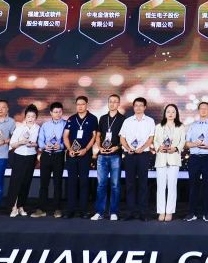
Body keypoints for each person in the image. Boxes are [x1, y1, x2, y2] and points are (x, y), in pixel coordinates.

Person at [120, 97, 156, 221]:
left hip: (143, 155)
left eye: (141, 105)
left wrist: (142, 148)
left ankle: (143, 213)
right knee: (129, 184)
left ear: (145, 107)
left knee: (143, 184)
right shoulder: (127, 121)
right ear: (133, 107)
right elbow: (122, 138)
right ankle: (130, 212)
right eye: (136, 105)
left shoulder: (150, 121)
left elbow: (151, 138)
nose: (138, 107)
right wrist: (127, 148)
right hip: (129, 155)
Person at [184, 101, 208, 222]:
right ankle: (191, 213)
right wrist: (196, 144)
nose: (203, 110)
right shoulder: (192, 125)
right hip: (194, 158)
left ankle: (207, 213)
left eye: (205, 108)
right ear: (198, 110)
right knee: (193, 186)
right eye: (201, 108)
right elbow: (187, 143)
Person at [62, 95, 98, 218]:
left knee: (84, 182)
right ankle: (70, 210)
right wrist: (69, 149)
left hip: (85, 155)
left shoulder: (93, 118)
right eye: (78, 104)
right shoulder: (71, 119)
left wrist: (86, 149)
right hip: (72, 155)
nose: (80, 106)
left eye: (82, 104)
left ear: (86, 105)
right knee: (71, 182)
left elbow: (94, 136)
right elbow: (65, 136)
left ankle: (83, 210)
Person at [93, 93, 126, 221]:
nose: (112, 103)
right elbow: (98, 135)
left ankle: (113, 212)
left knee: (115, 185)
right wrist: (99, 147)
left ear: (119, 104)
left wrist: (116, 147)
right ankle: (99, 212)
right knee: (101, 185)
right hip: (102, 156)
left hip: (115, 156)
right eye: (110, 101)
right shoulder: (102, 118)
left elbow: (124, 138)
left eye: (115, 101)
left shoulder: (123, 119)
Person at [32, 101, 67, 218]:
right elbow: (40, 140)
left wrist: (61, 146)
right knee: (44, 183)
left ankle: (57, 209)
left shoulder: (66, 124)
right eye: (55, 112)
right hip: (46, 155)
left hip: (58, 156)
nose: (58, 114)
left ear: (62, 112)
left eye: (60, 112)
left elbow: (68, 140)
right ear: (51, 113)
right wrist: (44, 146)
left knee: (58, 183)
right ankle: (41, 209)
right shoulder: (45, 125)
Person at [7, 104, 41, 217]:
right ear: (25, 117)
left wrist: (34, 144)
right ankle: (13, 207)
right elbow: (12, 144)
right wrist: (21, 142)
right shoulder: (19, 127)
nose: (30, 118)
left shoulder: (38, 128)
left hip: (31, 156)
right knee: (16, 182)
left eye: (33, 116)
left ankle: (21, 206)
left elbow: (39, 144)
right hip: (19, 156)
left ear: (36, 117)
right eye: (28, 116)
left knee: (26, 182)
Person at [154, 103, 186, 221]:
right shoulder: (159, 126)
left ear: (176, 114)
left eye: (173, 112)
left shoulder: (180, 126)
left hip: (174, 159)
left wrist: (176, 148)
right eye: (168, 111)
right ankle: (161, 211)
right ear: (165, 113)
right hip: (161, 159)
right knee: (160, 187)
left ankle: (170, 211)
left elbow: (183, 141)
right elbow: (155, 140)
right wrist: (159, 147)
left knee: (172, 187)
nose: (171, 114)